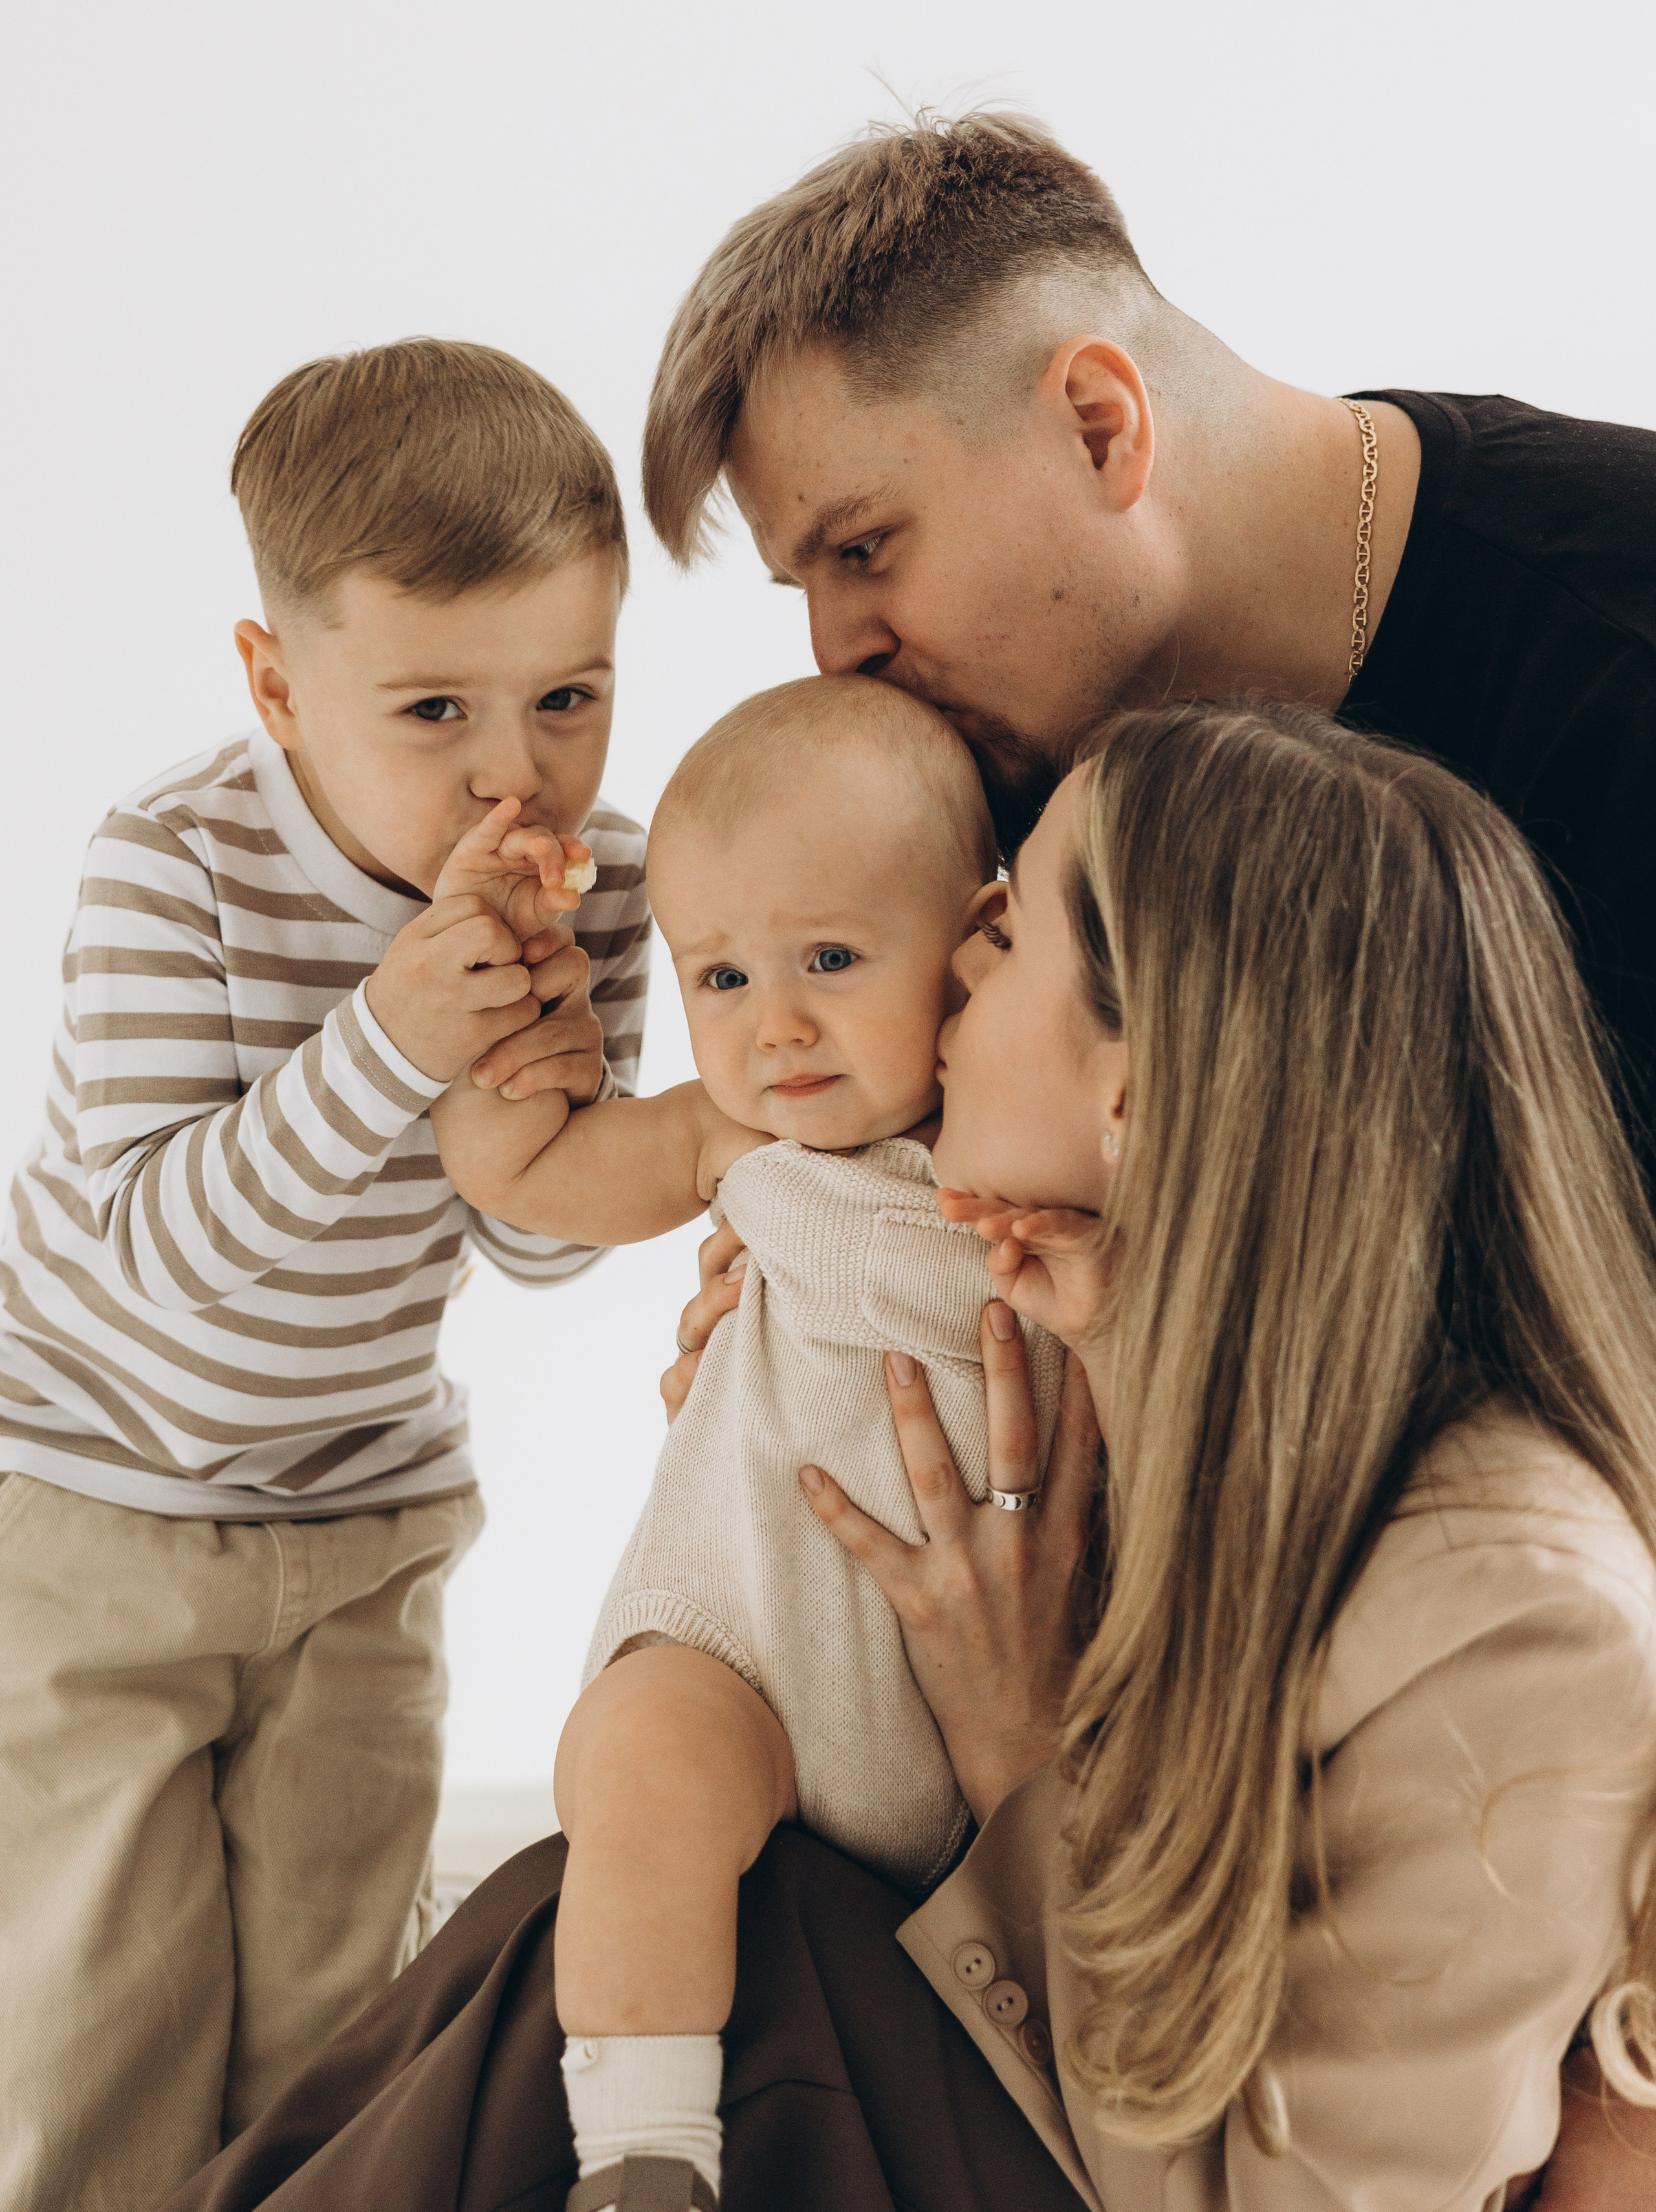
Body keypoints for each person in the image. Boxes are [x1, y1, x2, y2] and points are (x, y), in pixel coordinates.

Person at [160, 702, 1656, 2211]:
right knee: (616, 1891)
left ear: (1130, 1099)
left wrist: (1018, 1746)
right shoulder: (1136, 1340)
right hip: (963, 2002)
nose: (950, 971)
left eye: (1001, 942)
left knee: (723, 1947)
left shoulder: (1510, 1613)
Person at [0, 339, 650, 2211]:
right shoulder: (171, 869)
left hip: (362, 1526)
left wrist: (543, 1092)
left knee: (336, 2042)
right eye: (432, 710)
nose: (509, 774)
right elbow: (150, 1260)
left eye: (569, 699)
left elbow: (528, 1250)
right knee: (94, 2032)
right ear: (279, 685)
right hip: (97, 1519)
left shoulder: (592, 882)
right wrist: (384, 1039)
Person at [638, 111, 1656, 1206]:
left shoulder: (1618, 652)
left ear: (1098, 427)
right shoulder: (1026, 751)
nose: (837, 652)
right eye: (807, 585)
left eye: (865, 548)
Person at [430, 674, 1068, 2206]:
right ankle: (650, 2145)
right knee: (640, 1766)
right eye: (716, 979)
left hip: (986, 1717)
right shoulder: (741, 1142)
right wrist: (515, 999)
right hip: (750, 1664)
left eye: (830, 960)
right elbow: (528, 1171)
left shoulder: (1042, 1152)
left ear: (981, 941)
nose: (772, 1026)